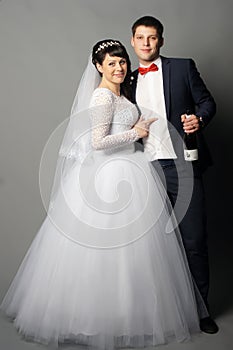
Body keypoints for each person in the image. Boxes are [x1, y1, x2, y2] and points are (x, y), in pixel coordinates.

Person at [1, 39, 208, 350]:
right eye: (111, 63)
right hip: (109, 175)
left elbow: (117, 128)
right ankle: (96, 320)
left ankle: (127, 316)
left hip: (132, 168)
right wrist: (136, 133)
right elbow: (98, 142)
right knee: (105, 251)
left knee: (137, 254)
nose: (119, 68)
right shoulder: (101, 95)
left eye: (122, 62)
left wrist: (136, 129)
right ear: (98, 66)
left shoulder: (121, 92)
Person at [130, 15, 218, 334]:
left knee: (194, 240)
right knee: (148, 247)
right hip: (144, 170)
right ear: (132, 41)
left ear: (161, 41)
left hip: (183, 166)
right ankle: (154, 313)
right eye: (140, 37)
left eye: (152, 37)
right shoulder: (123, 78)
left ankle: (202, 311)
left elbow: (207, 102)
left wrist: (199, 119)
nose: (146, 43)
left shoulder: (182, 67)